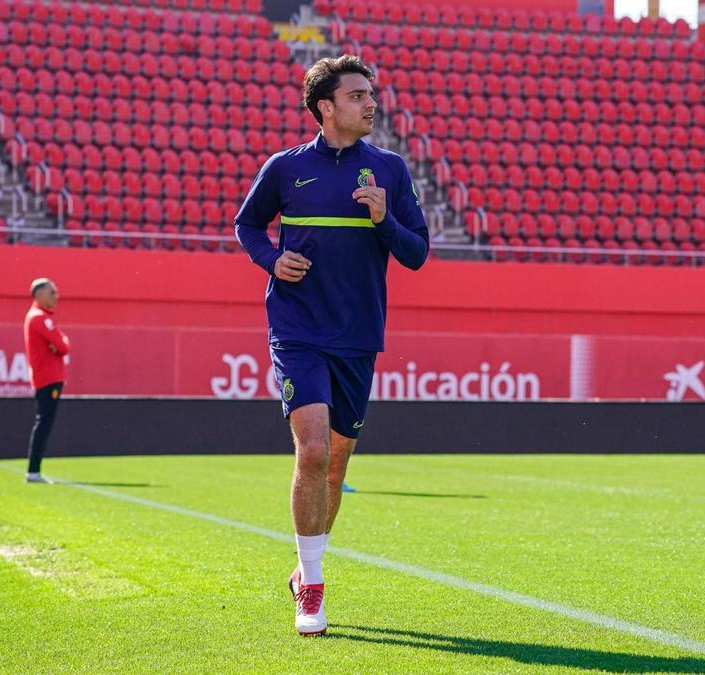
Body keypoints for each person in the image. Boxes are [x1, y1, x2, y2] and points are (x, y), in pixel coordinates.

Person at [234, 54, 429, 636]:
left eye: (371, 94)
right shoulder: (285, 168)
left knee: (336, 462)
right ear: (326, 107)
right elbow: (247, 226)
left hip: (358, 335)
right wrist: (273, 258)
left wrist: (383, 220)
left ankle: (304, 567)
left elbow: (416, 253)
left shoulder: (390, 170)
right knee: (313, 451)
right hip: (298, 330)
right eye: (358, 95)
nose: (371, 103)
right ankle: (315, 591)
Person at [23, 277, 70, 484]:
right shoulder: (40, 318)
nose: (56, 296)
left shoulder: (41, 318)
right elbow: (63, 346)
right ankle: (33, 471)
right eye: (52, 292)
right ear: (39, 294)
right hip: (48, 378)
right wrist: (57, 345)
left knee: (44, 422)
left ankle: (34, 470)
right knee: (44, 422)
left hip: (48, 377)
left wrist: (59, 344)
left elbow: (62, 344)